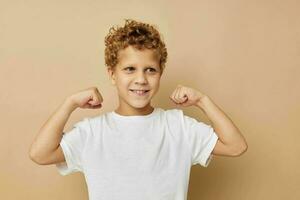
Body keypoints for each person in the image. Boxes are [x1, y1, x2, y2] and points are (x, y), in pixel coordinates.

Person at [29, 19, 248, 200]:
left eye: (150, 70)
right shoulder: (93, 132)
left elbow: (236, 146)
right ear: (112, 74)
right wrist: (70, 104)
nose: (141, 79)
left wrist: (202, 100)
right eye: (130, 69)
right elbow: (40, 153)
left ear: (160, 74)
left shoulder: (178, 126)